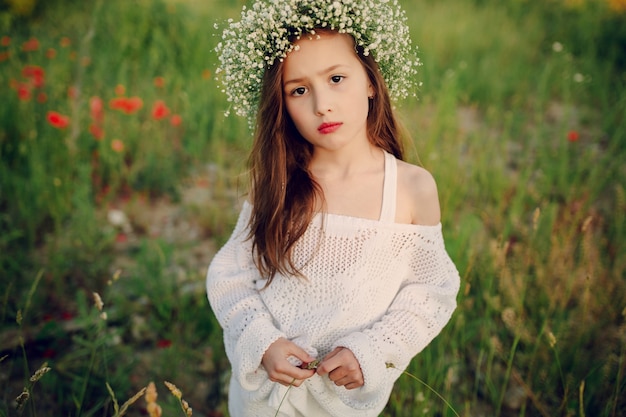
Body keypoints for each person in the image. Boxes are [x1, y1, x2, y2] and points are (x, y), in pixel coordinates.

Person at [206, 1, 460, 416]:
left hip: (344, 404)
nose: (322, 104)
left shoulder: (411, 188)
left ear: (371, 83)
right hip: (266, 397)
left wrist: (372, 351)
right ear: (283, 104)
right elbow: (232, 273)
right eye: (299, 90)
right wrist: (262, 342)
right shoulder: (277, 182)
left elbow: (431, 292)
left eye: (337, 78)